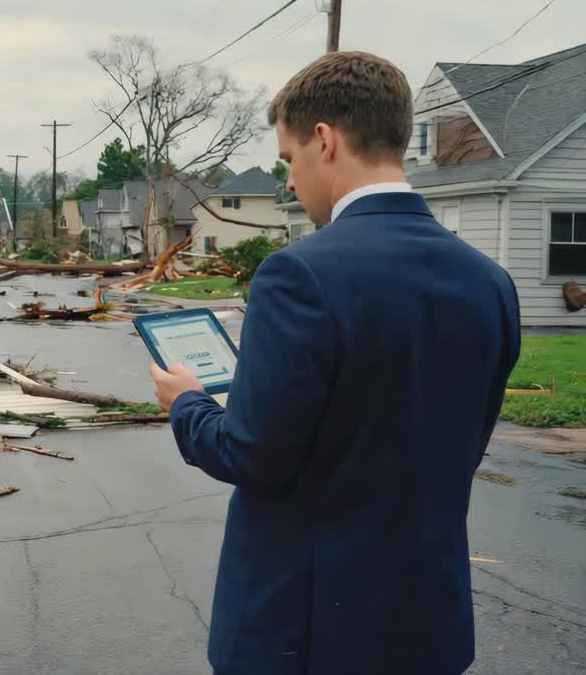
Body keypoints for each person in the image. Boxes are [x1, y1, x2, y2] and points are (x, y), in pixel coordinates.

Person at [149, 51, 521, 675]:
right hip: (428, 624)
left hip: (309, 633)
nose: (289, 183)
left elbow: (249, 454)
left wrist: (188, 403)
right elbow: (458, 443)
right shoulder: (490, 282)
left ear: (324, 140)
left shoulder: (298, 274)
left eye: (289, 160)